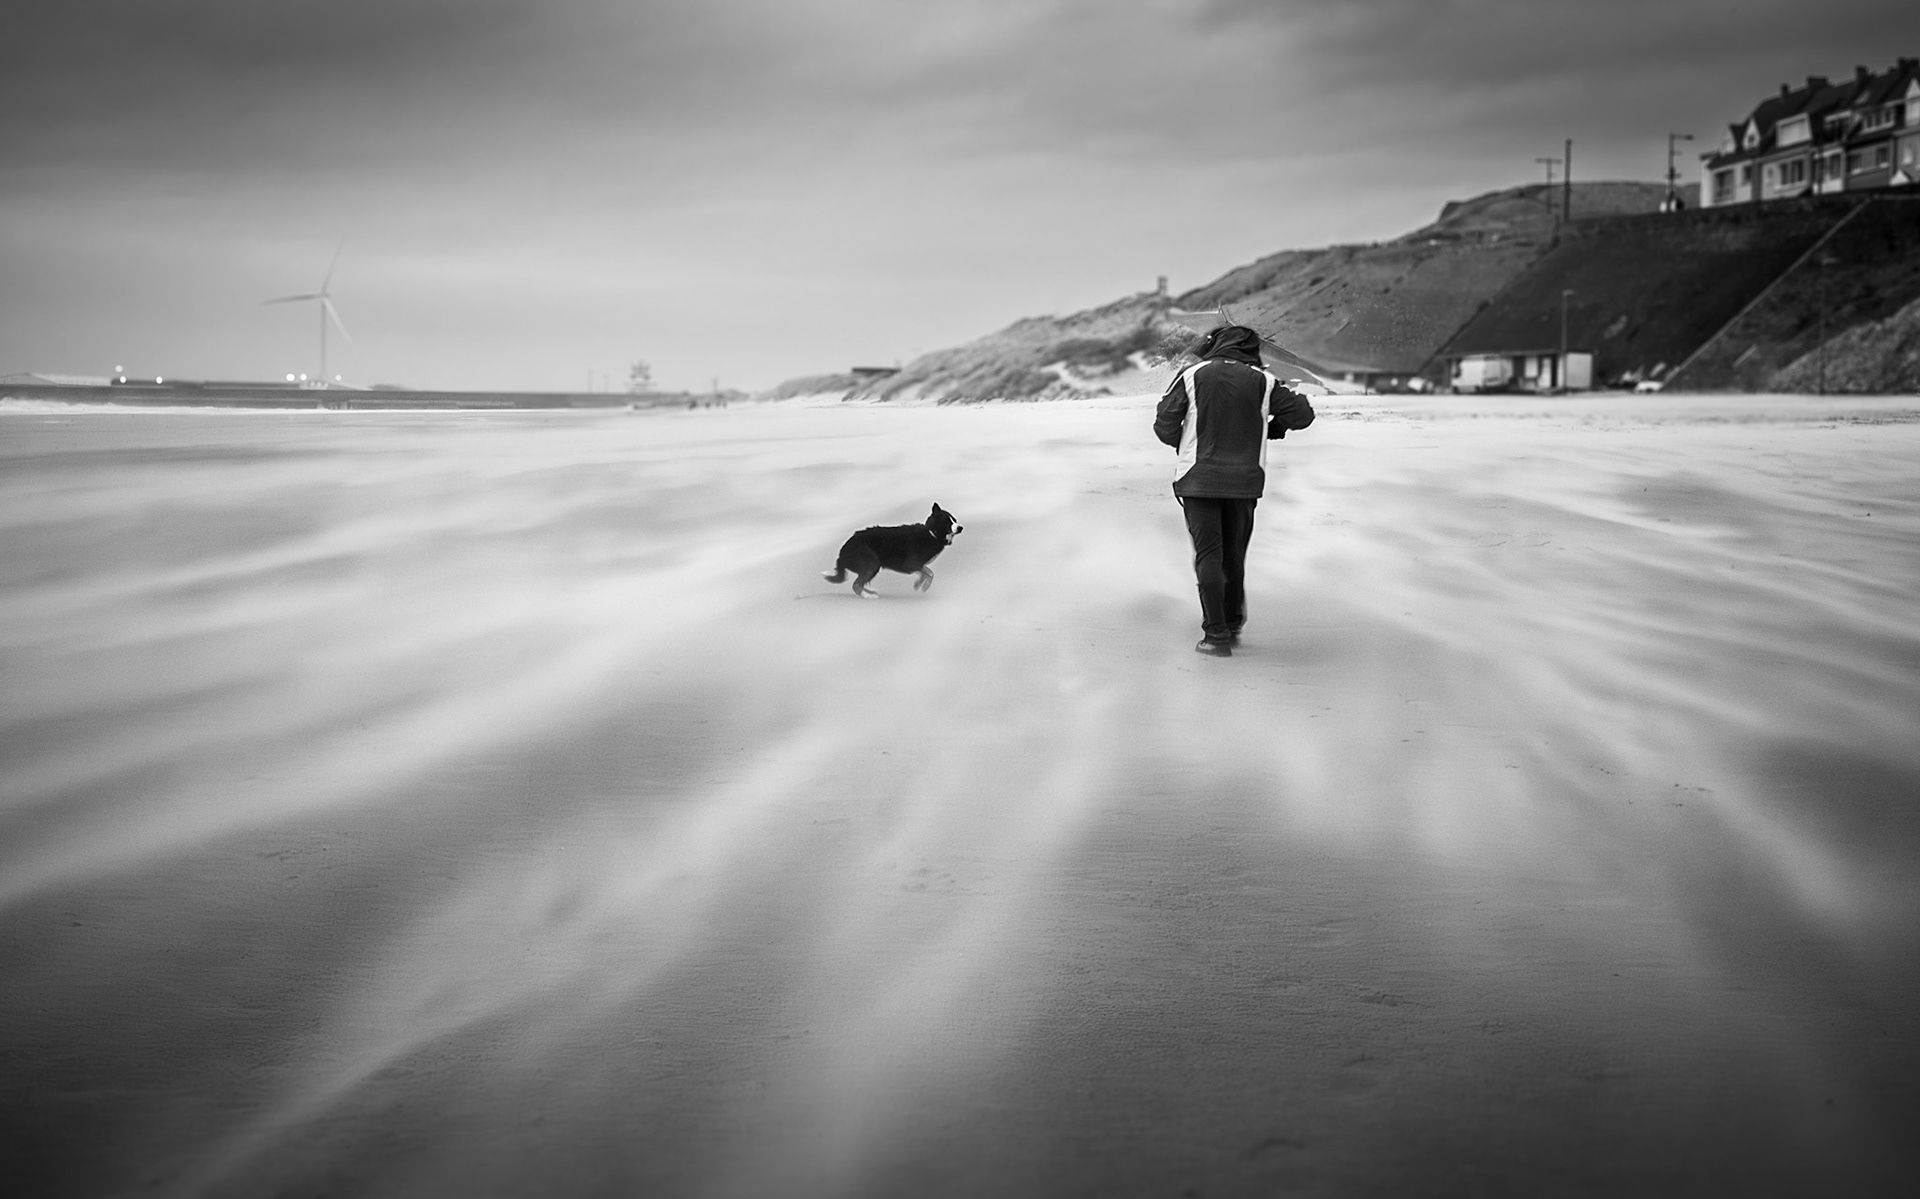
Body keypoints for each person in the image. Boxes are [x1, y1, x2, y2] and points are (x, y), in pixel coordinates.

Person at [1152, 324, 1315, 657]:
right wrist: (1271, 428)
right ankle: (1233, 622)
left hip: (1198, 479)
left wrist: (1185, 445)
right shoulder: (1264, 381)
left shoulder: (1191, 375)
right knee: (1234, 555)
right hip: (1244, 482)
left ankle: (1216, 636)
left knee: (1208, 555)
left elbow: (1164, 423)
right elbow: (1302, 415)